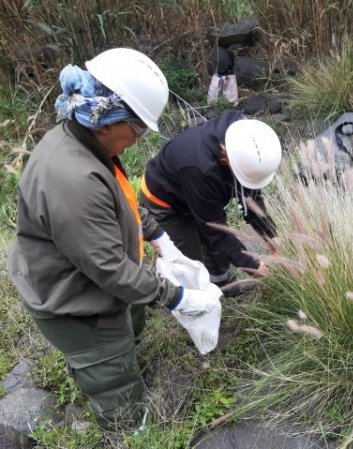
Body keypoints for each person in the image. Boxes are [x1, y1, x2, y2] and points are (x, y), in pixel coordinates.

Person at [8, 48, 222, 431]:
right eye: (138, 129)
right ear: (106, 119)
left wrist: (160, 239)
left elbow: (121, 197)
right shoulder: (71, 178)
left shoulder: (88, 144)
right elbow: (109, 269)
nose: (140, 139)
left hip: (96, 281)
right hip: (74, 304)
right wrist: (177, 297)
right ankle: (125, 425)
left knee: (127, 331)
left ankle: (118, 358)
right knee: (113, 382)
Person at [140, 110, 282, 290]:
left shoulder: (243, 136)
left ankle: (223, 284)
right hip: (165, 201)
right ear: (228, 160)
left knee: (219, 246)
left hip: (195, 191)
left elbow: (250, 197)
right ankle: (186, 302)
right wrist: (251, 265)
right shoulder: (200, 168)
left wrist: (269, 234)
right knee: (188, 265)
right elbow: (213, 228)